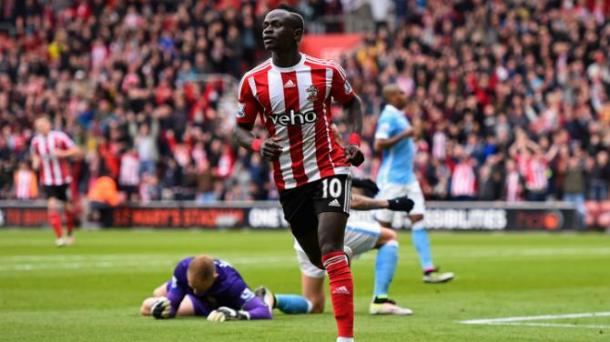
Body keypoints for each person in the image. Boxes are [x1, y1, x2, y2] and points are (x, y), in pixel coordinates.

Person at [233, 9, 364, 342]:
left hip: (331, 166)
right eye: (265, 26)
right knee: (319, 259)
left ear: (296, 33)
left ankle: (345, 338)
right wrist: (256, 145)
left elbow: (353, 104)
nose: (267, 30)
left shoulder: (325, 71)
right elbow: (240, 129)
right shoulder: (253, 80)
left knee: (330, 247)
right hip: (290, 179)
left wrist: (353, 142)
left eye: (276, 25)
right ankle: (339, 260)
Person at [256, 182, 415, 316]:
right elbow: (349, 199)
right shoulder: (322, 157)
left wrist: (356, 181)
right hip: (328, 231)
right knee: (389, 237)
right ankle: (380, 300)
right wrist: (389, 203)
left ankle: (272, 298)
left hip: (302, 239)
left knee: (314, 304)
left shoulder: (294, 167)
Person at [374, 85, 454, 283]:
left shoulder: (400, 116)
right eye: (401, 93)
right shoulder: (388, 117)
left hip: (408, 178)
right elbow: (379, 143)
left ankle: (428, 269)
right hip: (392, 179)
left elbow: (412, 137)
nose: (404, 95)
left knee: (417, 218)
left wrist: (416, 126)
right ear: (392, 96)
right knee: (384, 227)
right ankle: (346, 254)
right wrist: (405, 135)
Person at [140, 255, 271, 321]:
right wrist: (165, 310)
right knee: (156, 295)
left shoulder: (232, 284)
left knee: (149, 306)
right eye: (193, 287)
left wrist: (239, 315)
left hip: (208, 303)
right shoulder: (182, 268)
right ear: (187, 274)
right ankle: (182, 290)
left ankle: (264, 297)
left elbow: (264, 311)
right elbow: (172, 306)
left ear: (215, 277)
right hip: (184, 287)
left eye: (200, 289)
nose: (196, 292)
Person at [30, 116, 81, 247]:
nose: (40, 128)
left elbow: (76, 150)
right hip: (47, 179)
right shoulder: (36, 141)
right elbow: (35, 154)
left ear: (48, 125)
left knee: (68, 208)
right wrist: (35, 162)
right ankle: (59, 238)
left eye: (42, 125)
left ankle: (69, 233)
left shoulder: (60, 137)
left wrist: (62, 154)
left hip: (63, 179)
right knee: (52, 205)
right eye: (38, 127)